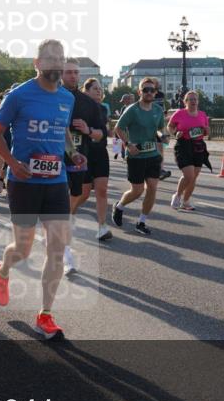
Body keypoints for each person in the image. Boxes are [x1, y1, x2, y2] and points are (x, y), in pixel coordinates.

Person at [0, 39, 85, 339]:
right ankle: (3, 270)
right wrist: (13, 163)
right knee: (23, 249)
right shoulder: (19, 96)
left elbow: (64, 131)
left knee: (56, 249)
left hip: (56, 182)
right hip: (24, 182)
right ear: (37, 63)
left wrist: (71, 152)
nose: (56, 63)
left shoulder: (67, 99)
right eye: (50, 58)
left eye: (61, 58)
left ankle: (45, 314)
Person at [63, 64, 110, 275]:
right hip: (51, 158)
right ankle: (64, 253)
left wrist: (88, 129)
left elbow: (101, 134)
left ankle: (60, 241)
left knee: (72, 199)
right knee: (58, 203)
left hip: (77, 159)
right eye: (67, 72)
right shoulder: (50, 95)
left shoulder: (87, 104)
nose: (72, 76)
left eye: (75, 72)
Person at [112, 78, 166, 235]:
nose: (149, 92)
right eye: (145, 90)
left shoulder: (157, 110)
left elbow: (161, 131)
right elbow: (118, 128)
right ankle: (120, 206)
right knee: (137, 191)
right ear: (140, 92)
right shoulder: (132, 110)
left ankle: (141, 221)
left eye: (152, 90)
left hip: (153, 155)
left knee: (152, 188)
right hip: (136, 156)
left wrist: (163, 140)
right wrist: (128, 144)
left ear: (155, 92)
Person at [77, 78, 114, 242]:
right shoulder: (78, 108)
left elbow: (104, 133)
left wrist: (94, 131)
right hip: (84, 153)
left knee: (102, 189)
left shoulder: (103, 109)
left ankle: (102, 226)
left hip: (100, 153)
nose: (99, 91)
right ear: (85, 91)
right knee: (83, 194)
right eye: (94, 88)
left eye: (100, 88)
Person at [167, 90, 211, 211]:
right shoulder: (179, 113)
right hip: (183, 145)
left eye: (195, 99)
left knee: (194, 177)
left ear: (198, 102)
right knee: (189, 175)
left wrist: (207, 130)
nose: (193, 101)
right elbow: (170, 127)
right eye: (190, 99)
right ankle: (177, 196)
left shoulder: (202, 114)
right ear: (185, 102)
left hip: (198, 145)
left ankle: (186, 201)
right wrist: (175, 133)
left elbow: (207, 131)